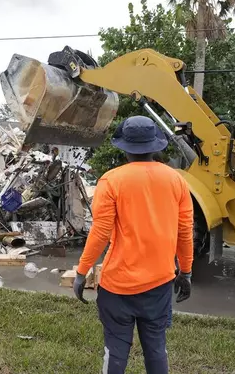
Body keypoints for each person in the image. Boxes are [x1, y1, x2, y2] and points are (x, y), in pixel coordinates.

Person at [73, 116, 193, 374]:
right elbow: (185, 232)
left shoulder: (111, 180)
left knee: (115, 351)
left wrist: (82, 272)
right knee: (156, 349)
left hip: (118, 286)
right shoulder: (177, 181)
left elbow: (100, 232)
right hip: (159, 284)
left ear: (124, 147)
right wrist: (186, 271)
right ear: (155, 146)